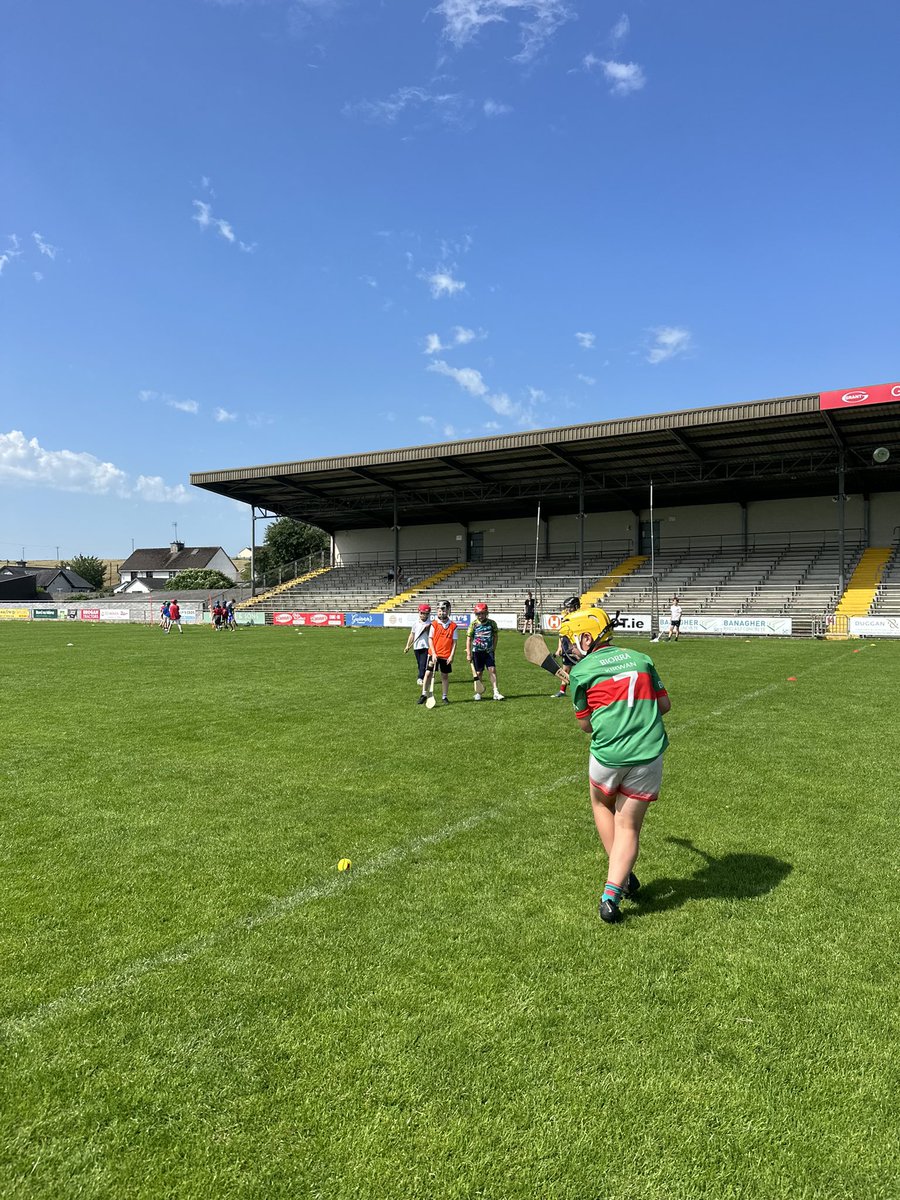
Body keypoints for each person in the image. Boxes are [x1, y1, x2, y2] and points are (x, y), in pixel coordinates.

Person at [561, 607, 670, 925]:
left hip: (608, 756)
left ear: (586, 637)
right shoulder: (642, 658)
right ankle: (611, 895)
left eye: (571, 640)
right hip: (649, 754)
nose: (569, 648)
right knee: (629, 826)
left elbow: (586, 726)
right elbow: (664, 705)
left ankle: (620, 876)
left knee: (600, 804)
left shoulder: (581, 672)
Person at [418, 600, 457, 706]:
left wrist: (451, 655)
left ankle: (444, 696)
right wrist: (434, 653)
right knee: (428, 673)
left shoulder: (453, 626)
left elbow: (454, 642)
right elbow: (430, 639)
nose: (441, 613)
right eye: (439, 611)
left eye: (444, 610)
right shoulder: (434, 624)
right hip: (433, 654)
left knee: (444, 676)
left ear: (448, 611)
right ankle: (424, 694)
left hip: (446, 656)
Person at [466, 602, 504, 701]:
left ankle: (496, 692)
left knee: (492, 670)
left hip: (488, 652)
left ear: (486, 613)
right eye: (478, 614)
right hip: (477, 652)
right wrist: (469, 653)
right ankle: (478, 693)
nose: (480, 616)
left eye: (482, 613)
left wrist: (493, 648)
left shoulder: (492, 623)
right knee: (479, 672)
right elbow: (469, 639)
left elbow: (495, 636)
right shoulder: (473, 624)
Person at [551, 594, 582, 698]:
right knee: (565, 670)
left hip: (577, 646)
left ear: (576, 607)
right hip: (566, 646)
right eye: (567, 608)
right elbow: (561, 634)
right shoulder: (566, 618)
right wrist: (559, 648)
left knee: (581, 669)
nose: (568, 610)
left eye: (570, 608)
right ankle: (562, 691)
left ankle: (583, 690)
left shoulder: (580, 618)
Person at [404, 603, 432, 686]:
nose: (423, 615)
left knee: (423, 663)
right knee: (419, 664)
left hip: (426, 646)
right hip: (416, 647)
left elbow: (431, 635)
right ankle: (423, 676)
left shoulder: (430, 624)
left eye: (426, 614)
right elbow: (412, 635)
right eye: (422, 613)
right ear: (419, 613)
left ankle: (420, 678)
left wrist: (427, 629)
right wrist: (407, 645)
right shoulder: (415, 623)